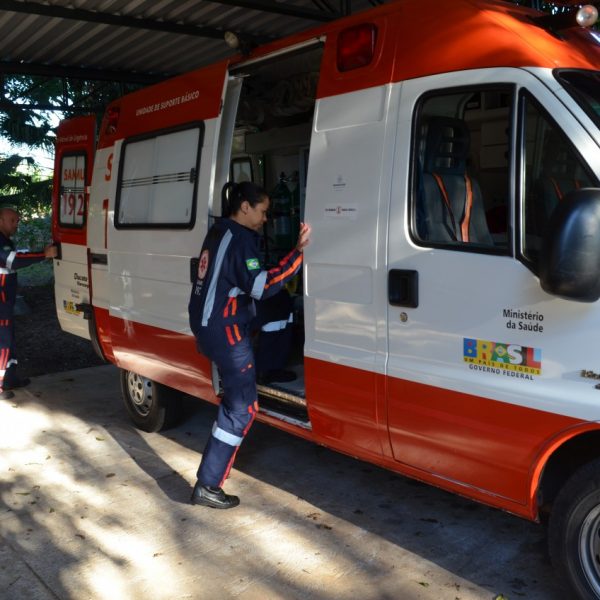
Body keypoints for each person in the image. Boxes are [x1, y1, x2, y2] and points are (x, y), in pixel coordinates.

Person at [188, 181, 311, 509]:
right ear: (245, 207)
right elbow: (262, 285)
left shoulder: (221, 231)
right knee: (243, 407)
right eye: (263, 211)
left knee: (280, 311)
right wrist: (297, 256)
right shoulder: (241, 240)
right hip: (224, 330)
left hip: (209, 323)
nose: (266, 218)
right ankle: (208, 484)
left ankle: (268, 368)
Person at [0, 205, 58, 399]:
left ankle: (10, 378)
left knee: (9, 338)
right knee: (3, 341)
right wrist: (44, 254)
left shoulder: (5, 240)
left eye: (17, 220)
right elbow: (13, 261)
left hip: (5, 301)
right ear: (1, 221)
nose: (16, 224)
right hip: (1, 302)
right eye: (12, 220)